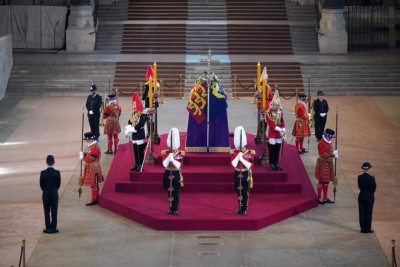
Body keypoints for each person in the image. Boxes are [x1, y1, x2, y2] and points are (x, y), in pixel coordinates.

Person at [230, 126, 255, 216]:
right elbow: (233, 164)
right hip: (237, 173)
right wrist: (238, 156)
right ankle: (239, 208)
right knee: (239, 192)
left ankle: (245, 208)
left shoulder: (249, 152)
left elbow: (250, 165)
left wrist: (242, 159)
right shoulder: (234, 152)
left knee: (245, 192)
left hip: (245, 174)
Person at [161, 127, 185, 216]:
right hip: (168, 173)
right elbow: (164, 164)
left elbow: (179, 165)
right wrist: (169, 157)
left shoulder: (180, 153)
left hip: (176, 173)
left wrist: (173, 159)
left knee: (176, 193)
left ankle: (175, 209)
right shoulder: (165, 152)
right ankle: (170, 208)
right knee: (169, 192)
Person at [125, 92, 148, 172]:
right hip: (134, 135)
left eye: (135, 104)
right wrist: (128, 127)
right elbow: (130, 121)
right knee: (135, 150)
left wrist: (131, 129)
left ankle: (141, 165)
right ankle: (137, 164)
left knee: (139, 151)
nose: (134, 106)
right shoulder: (134, 113)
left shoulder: (143, 114)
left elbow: (140, 124)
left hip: (139, 134)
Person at [79, 132, 104, 206]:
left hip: (93, 168)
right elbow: (89, 154)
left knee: (94, 184)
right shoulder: (92, 146)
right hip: (91, 167)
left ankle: (94, 199)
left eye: (87, 140)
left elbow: (91, 158)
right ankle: (96, 198)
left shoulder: (95, 147)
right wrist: (84, 154)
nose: (86, 141)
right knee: (94, 184)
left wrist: (83, 157)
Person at [315, 128, 338, 205]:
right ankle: (319, 198)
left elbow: (330, 150)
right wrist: (333, 154)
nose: (331, 138)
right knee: (321, 180)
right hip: (323, 164)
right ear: (326, 136)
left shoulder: (329, 142)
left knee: (326, 181)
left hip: (329, 163)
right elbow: (322, 154)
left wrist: (334, 154)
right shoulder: (321, 143)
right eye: (330, 137)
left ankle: (325, 197)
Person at [39, 155, 61, 234]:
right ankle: (54, 228)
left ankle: (48, 228)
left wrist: (46, 191)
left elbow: (41, 185)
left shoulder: (43, 173)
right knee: (54, 212)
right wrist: (54, 190)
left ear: (46, 162)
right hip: (54, 194)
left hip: (46, 195)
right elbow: (58, 184)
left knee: (46, 212)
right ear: (54, 162)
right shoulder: (57, 173)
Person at [265, 90, 286, 171]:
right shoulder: (268, 112)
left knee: (278, 149)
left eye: (278, 105)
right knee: (272, 149)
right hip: (273, 133)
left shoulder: (280, 110)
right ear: (273, 104)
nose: (277, 106)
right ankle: (271, 164)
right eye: (276, 105)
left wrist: (283, 129)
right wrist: (281, 130)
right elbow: (272, 124)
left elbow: (282, 121)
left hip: (279, 133)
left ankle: (276, 163)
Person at [358, 162, 376, 233]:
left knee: (362, 213)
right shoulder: (371, 178)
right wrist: (370, 193)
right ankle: (367, 229)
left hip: (362, 196)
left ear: (363, 169)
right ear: (369, 169)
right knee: (368, 212)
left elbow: (359, 187)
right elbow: (374, 188)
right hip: (369, 197)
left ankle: (362, 229)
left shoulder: (359, 177)